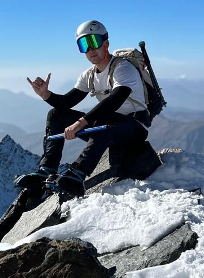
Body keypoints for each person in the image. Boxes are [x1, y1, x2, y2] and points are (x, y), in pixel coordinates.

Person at [17, 20, 150, 196]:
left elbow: (116, 99)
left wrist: (80, 123)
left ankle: (78, 174)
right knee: (56, 114)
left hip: (135, 128)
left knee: (103, 118)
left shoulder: (123, 68)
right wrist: (46, 95)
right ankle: (47, 169)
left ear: (106, 43)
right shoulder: (89, 75)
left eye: (94, 42)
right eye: (84, 44)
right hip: (108, 128)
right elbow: (66, 103)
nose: (90, 50)